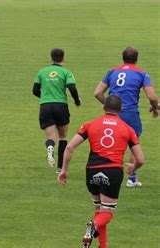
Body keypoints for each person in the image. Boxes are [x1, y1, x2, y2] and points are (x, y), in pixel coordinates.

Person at [58, 95, 145, 248]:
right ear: (121, 109)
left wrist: (64, 170)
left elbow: (70, 147)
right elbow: (140, 159)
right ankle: (93, 228)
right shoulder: (128, 129)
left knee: (99, 209)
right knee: (107, 212)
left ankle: (102, 246)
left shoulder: (90, 125)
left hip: (92, 171)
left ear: (104, 107)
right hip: (113, 171)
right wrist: (134, 167)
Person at [94, 46, 158, 188]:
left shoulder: (112, 72)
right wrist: (155, 107)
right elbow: (152, 96)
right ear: (136, 59)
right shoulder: (142, 74)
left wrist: (110, 105)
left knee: (109, 140)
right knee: (133, 143)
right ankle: (132, 178)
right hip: (130, 114)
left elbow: (97, 93)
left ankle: (104, 172)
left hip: (112, 112)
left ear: (123, 58)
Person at [32, 48, 81, 172]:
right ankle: (60, 168)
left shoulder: (42, 72)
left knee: (50, 136)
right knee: (63, 137)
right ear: (63, 58)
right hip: (61, 106)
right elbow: (71, 87)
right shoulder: (66, 72)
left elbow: (35, 90)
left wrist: (45, 97)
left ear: (51, 58)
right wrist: (76, 101)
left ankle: (50, 148)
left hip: (45, 106)